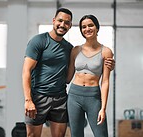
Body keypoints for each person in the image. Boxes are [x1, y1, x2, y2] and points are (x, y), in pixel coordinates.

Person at [22, 8, 115, 137]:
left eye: (67, 22)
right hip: (52, 96)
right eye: (60, 21)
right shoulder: (44, 42)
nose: (62, 25)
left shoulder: (72, 48)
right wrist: (28, 99)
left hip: (71, 97)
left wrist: (108, 66)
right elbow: (28, 71)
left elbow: (102, 80)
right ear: (54, 21)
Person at [67, 14, 113, 137]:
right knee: (76, 135)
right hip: (74, 96)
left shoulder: (106, 51)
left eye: (90, 25)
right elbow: (68, 77)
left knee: (101, 134)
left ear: (97, 28)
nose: (87, 29)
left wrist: (103, 108)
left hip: (93, 97)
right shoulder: (75, 50)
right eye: (84, 27)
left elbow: (105, 82)